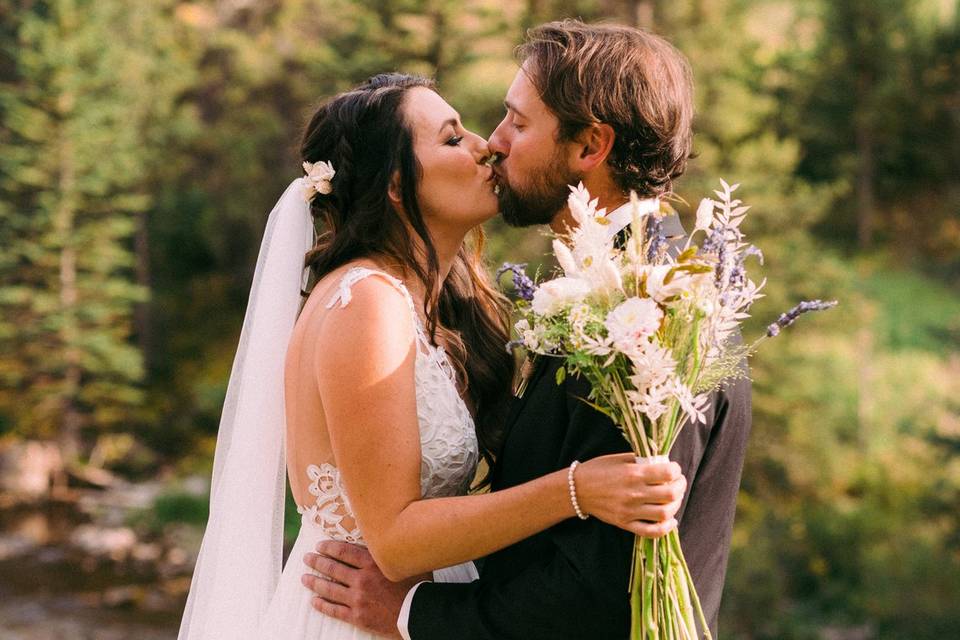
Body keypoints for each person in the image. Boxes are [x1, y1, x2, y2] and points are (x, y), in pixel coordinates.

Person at [177, 72, 688, 640]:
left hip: (422, 610)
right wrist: (577, 489)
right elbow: (395, 542)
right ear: (397, 185)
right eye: (451, 139)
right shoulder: (364, 302)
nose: (486, 146)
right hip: (356, 615)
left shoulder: (436, 305)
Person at [304, 21, 752, 640]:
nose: (493, 143)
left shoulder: (653, 310)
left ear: (589, 147)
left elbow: (600, 591)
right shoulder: (603, 289)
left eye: (516, 122)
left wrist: (412, 613)